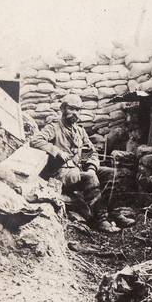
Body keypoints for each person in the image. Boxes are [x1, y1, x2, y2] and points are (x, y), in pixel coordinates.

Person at [30, 94, 120, 233]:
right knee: (89, 178)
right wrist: (57, 151)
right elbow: (35, 140)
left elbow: (92, 152)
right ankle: (101, 220)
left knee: (111, 173)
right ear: (63, 109)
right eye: (72, 109)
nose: (75, 113)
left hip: (77, 171)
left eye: (78, 110)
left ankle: (113, 213)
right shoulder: (54, 127)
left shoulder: (79, 131)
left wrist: (91, 167)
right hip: (61, 174)